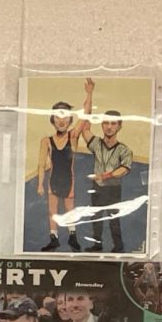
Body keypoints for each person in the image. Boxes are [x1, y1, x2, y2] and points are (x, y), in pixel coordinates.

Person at [35, 78, 93, 251]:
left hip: (69, 180)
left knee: (69, 209)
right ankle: (54, 239)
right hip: (53, 181)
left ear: (69, 120)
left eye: (65, 117)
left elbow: (86, 114)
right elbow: (40, 164)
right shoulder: (46, 141)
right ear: (52, 119)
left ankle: (72, 237)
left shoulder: (73, 136)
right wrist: (39, 184)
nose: (61, 121)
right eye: (58, 117)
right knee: (52, 211)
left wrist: (89, 93)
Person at [78, 81, 133, 253]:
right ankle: (97, 244)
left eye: (113, 123)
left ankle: (118, 247)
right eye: (106, 123)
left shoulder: (124, 150)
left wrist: (107, 176)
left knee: (114, 218)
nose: (109, 127)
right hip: (97, 187)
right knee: (96, 217)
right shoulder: (95, 144)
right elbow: (85, 126)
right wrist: (89, 94)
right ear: (102, 125)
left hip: (113, 189)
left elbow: (124, 169)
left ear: (119, 126)